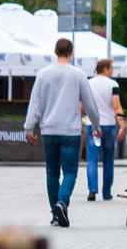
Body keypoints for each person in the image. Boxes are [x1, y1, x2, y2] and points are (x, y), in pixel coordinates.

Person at [23, 38, 106, 227]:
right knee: (70, 172)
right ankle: (62, 202)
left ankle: (55, 214)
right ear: (71, 53)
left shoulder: (43, 74)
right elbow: (90, 104)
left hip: (49, 131)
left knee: (52, 172)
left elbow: (34, 104)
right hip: (70, 131)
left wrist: (29, 128)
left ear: (55, 52)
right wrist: (96, 126)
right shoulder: (78, 75)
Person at [84, 58, 125, 201]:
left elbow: (83, 105)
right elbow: (116, 106)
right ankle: (106, 192)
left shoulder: (88, 83)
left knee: (92, 158)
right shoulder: (113, 84)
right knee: (108, 159)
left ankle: (92, 190)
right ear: (105, 69)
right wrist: (122, 125)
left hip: (92, 125)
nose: (113, 70)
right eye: (111, 68)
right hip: (108, 125)